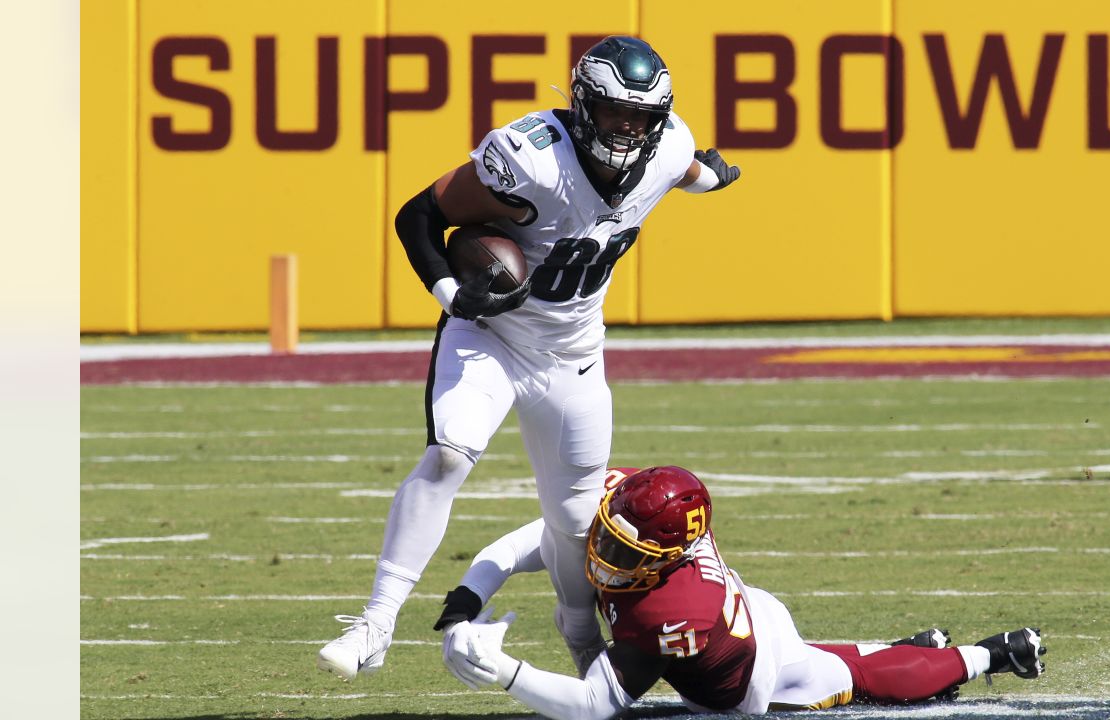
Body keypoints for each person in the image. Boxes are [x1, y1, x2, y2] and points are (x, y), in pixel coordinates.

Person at [316, 37, 742, 681]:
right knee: (448, 456)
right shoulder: (531, 159)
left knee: (574, 518)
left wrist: (711, 177)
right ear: (582, 105)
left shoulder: (669, 145)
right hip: (494, 336)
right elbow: (420, 214)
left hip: (574, 351)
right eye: (614, 113)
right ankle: (376, 623)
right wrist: (452, 293)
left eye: (640, 117)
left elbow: (686, 168)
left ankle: (579, 638)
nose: (628, 129)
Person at [437, 466, 1048, 718]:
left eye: (630, 554)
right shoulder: (627, 500)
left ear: (669, 555)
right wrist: (466, 599)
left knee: (850, 682)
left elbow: (597, 704)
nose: (607, 555)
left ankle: (988, 654)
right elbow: (530, 541)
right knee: (832, 661)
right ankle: (906, 646)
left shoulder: (669, 612)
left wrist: (505, 672)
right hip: (750, 613)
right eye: (610, 535)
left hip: (751, 678)